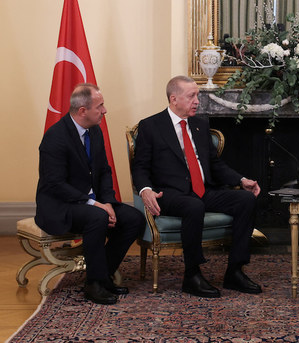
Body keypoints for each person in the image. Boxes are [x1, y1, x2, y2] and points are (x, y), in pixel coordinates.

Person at [132, 75, 262, 298]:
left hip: (204, 190)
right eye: (191, 96)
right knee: (193, 206)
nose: (197, 101)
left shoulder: (200, 124)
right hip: (169, 193)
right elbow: (140, 167)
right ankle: (192, 275)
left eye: (197, 96)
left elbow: (215, 165)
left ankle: (234, 271)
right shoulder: (151, 126)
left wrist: (241, 180)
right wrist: (145, 190)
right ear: (174, 99)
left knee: (245, 199)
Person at [35, 83, 144, 305]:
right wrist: (94, 204)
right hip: (60, 205)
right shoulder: (55, 137)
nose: (105, 110)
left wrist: (109, 202)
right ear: (82, 111)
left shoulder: (94, 131)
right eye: (100, 106)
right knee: (98, 216)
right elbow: (55, 184)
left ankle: (102, 276)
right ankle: (93, 284)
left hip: (92, 203)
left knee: (134, 219)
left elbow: (104, 171)